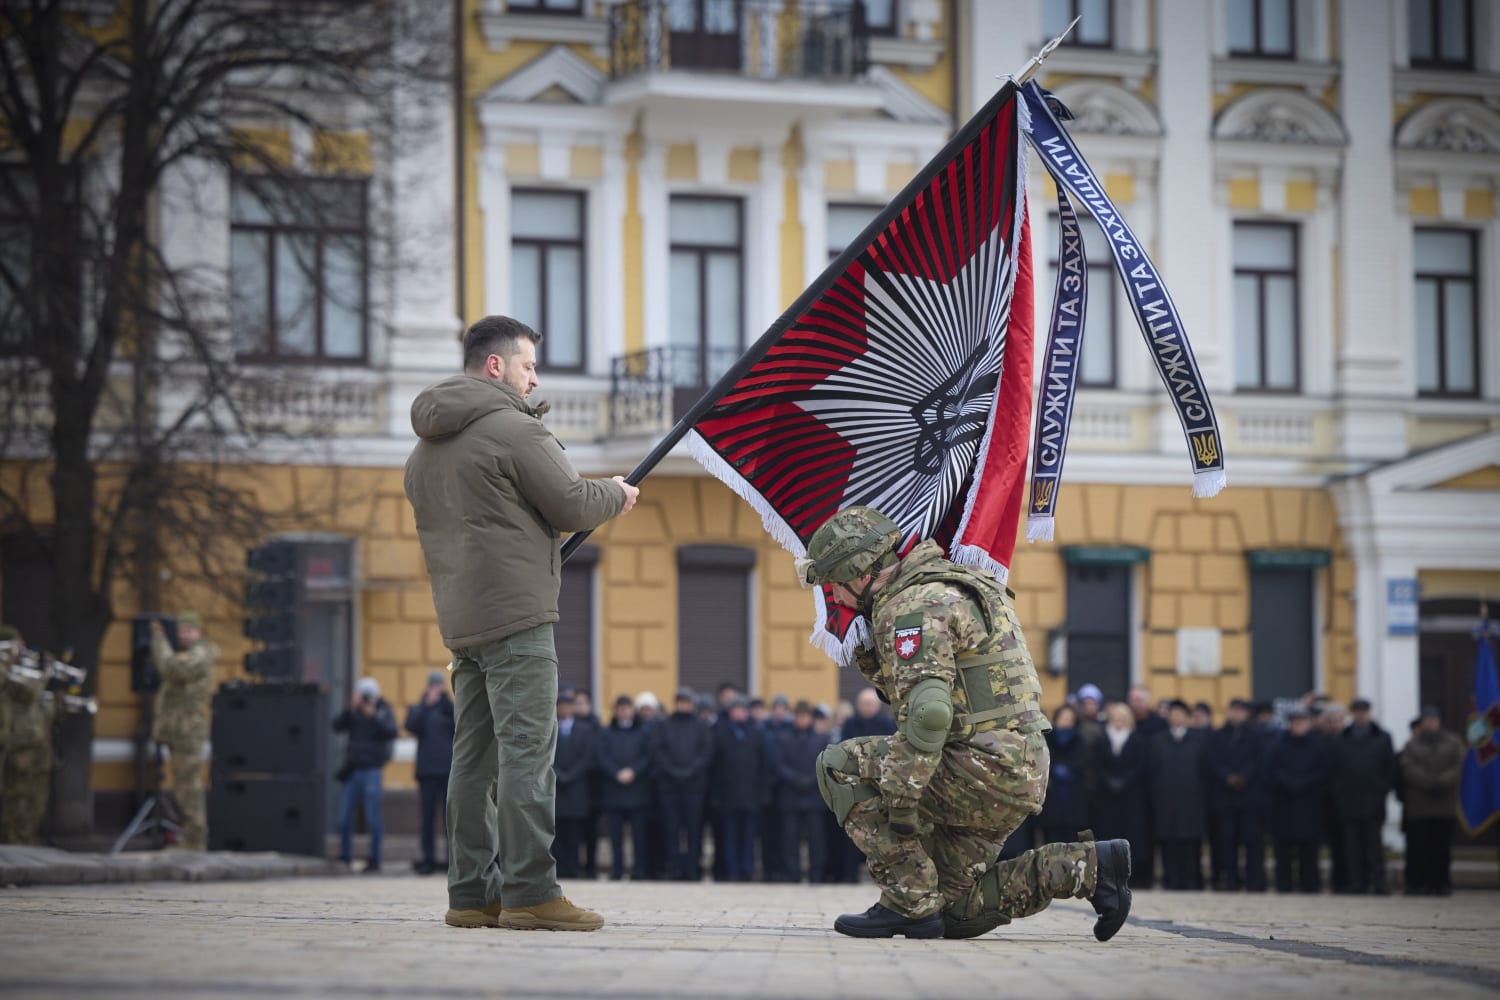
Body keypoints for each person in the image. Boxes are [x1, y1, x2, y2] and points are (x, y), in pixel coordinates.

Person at [799, 507, 1130, 942]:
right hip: (1017, 768)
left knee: (837, 765)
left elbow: (930, 712)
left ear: (858, 573)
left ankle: (906, 903)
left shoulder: (911, 605)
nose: (832, 597)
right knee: (952, 911)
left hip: (980, 768)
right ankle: (1088, 867)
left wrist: (902, 796)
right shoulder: (955, 585)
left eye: (832, 585)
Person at [404, 315, 637, 931]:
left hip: (462, 620)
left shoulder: (425, 446)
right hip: (519, 617)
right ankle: (532, 891)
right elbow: (571, 503)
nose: (534, 379)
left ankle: (470, 895)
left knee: (472, 761)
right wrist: (616, 492)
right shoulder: (513, 430)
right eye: (528, 365)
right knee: (528, 755)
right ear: (495, 366)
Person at [149, 612, 217, 851]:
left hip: (188, 731)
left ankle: (195, 840)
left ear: (199, 632)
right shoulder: (189, 653)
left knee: (189, 786)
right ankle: (190, 837)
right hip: (179, 730)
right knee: (182, 785)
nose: (184, 636)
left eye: (189, 631)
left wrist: (158, 640)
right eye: (181, 631)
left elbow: (173, 669)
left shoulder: (201, 654)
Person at [333, 677, 397, 872]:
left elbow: (391, 732)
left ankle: (375, 859)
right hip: (353, 770)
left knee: (373, 817)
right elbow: (336, 726)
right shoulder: (354, 711)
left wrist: (373, 717)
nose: (367, 699)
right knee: (343, 818)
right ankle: (345, 857)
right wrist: (350, 709)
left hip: (372, 771)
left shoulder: (383, 709)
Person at [1399, 705, 1465, 895]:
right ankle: (1420, 884)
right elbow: (1408, 767)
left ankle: (1441, 884)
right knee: (1420, 849)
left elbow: (1459, 765)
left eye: (1433, 719)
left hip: (1444, 804)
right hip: (1420, 805)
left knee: (1442, 849)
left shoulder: (1453, 742)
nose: (1430, 723)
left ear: (1439, 721)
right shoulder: (1412, 744)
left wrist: (1443, 780)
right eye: (1427, 720)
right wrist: (1427, 781)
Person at [1333, 697, 1395, 894]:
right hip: (1349, 800)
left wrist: (1381, 789)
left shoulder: (1382, 737)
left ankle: (1379, 883)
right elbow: (1335, 769)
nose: (1360, 715)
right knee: (1352, 846)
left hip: (1373, 800)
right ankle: (1356, 883)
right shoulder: (1343, 737)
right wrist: (1341, 792)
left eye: (1364, 711)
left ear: (1369, 713)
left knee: (1374, 846)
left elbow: (1389, 768)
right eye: (1357, 712)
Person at [651, 688, 713, 880]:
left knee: (694, 830)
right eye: (680, 701)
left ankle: (693, 869)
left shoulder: (701, 726)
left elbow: (707, 752)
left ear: (692, 704)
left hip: (694, 787)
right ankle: (675, 868)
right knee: (672, 830)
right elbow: (658, 751)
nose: (683, 705)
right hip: (670, 787)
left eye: (686, 702)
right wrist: (674, 771)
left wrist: (690, 771)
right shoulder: (665, 725)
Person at [0, 627, 54, 845]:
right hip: (16, 750)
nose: (21, 651)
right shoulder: (7, 675)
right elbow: (29, 692)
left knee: (32, 808)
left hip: (34, 752)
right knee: (15, 807)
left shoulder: (15, 672)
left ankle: (23, 847)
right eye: (16, 646)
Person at [1206, 698, 1266, 892]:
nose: (1237, 714)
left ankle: (1253, 880)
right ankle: (1230, 879)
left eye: (1241, 710)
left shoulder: (1256, 736)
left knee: (1252, 841)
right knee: (1226, 841)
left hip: (1249, 797)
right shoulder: (1218, 736)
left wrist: (1244, 777)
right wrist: (1228, 777)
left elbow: (1258, 761)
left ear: (1246, 714)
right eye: (1234, 710)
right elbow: (1212, 761)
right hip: (1225, 797)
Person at [1267, 705, 1329, 893]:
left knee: (1309, 850)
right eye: (1295, 722)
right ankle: (1284, 885)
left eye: (1302, 722)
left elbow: (1324, 771)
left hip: (1309, 803)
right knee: (1283, 849)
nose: (1298, 725)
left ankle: (1310, 885)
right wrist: (1289, 783)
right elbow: (1272, 769)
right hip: (1284, 803)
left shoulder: (1318, 745)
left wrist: (1304, 783)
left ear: (1309, 723)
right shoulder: (1279, 744)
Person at [1091, 702, 1151, 888]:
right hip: (1107, 797)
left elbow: (1140, 766)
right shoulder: (1102, 740)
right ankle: (1108, 875)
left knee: (1130, 835)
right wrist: (1109, 781)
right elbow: (1097, 766)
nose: (1118, 721)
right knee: (1108, 835)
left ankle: (1131, 875)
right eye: (1115, 717)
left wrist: (1124, 781)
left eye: (1122, 718)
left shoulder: (1137, 740)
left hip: (1130, 797)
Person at [1148, 700, 1207, 890]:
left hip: (1192, 802)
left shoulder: (1198, 739)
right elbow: (1152, 772)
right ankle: (1171, 880)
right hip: (1166, 801)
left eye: (1181, 713)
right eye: (1173, 713)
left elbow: (1205, 772)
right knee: (1168, 842)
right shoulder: (1158, 740)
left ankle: (1191, 881)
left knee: (1191, 843)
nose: (1177, 717)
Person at [710, 695, 766, 881]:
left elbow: (764, 765)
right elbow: (714, 766)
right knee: (730, 836)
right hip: (728, 796)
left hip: (750, 795)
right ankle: (732, 870)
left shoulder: (756, 733)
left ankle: (747, 870)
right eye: (736, 710)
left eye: (742, 710)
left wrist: (762, 793)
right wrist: (716, 795)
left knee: (749, 837)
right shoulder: (720, 734)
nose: (739, 713)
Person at [405, 669, 456, 874]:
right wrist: (426, 706)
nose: (436, 688)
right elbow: (411, 726)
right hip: (426, 772)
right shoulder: (419, 708)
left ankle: (452, 862)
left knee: (449, 821)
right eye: (433, 685)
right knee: (426, 820)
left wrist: (445, 703)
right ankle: (428, 860)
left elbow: (460, 725)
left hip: (446, 771)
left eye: (439, 685)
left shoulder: (449, 708)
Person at [774, 700, 831, 883]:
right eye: (799, 716)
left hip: (814, 796)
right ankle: (793, 873)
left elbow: (825, 763)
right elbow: (780, 765)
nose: (802, 720)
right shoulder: (784, 738)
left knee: (817, 839)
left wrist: (811, 780)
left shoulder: (822, 739)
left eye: (805, 716)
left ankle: (816, 874)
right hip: (791, 796)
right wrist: (796, 779)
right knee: (790, 839)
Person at [596, 695, 651, 880]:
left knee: (639, 836)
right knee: (615, 836)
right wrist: (616, 772)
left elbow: (648, 756)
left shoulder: (643, 732)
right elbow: (602, 756)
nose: (624, 711)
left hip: (638, 791)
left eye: (627, 708)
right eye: (620, 708)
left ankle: (639, 870)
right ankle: (617, 870)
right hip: (614, 791)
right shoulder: (607, 732)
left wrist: (633, 771)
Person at [551, 689, 595, 878]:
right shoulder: (550, 728)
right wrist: (559, 774)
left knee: (575, 832)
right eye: (561, 705)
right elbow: (546, 755)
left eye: (568, 705)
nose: (565, 709)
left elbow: (587, 757)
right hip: (556, 787)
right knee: (556, 831)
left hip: (577, 788)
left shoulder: (585, 730)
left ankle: (574, 868)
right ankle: (559, 869)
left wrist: (570, 775)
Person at [1039, 703, 1092, 846]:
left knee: (1072, 848)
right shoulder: (1046, 741)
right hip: (1051, 801)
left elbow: (1084, 766)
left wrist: (1069, 771)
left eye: (1069, 718)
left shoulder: (1080, 741)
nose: (1066, 721)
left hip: (1074, 803)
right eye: (1063, 718)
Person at [1317, 701, 1349, 891]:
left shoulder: (1351, 740)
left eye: (1338, 720)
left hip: (1348, 800)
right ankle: (1337, 882)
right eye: (1331, 721)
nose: (1335, 724)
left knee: (1349, 844)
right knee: (1334, 843)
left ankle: (1351, 880)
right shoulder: (1321, 741)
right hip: (1325, 800)